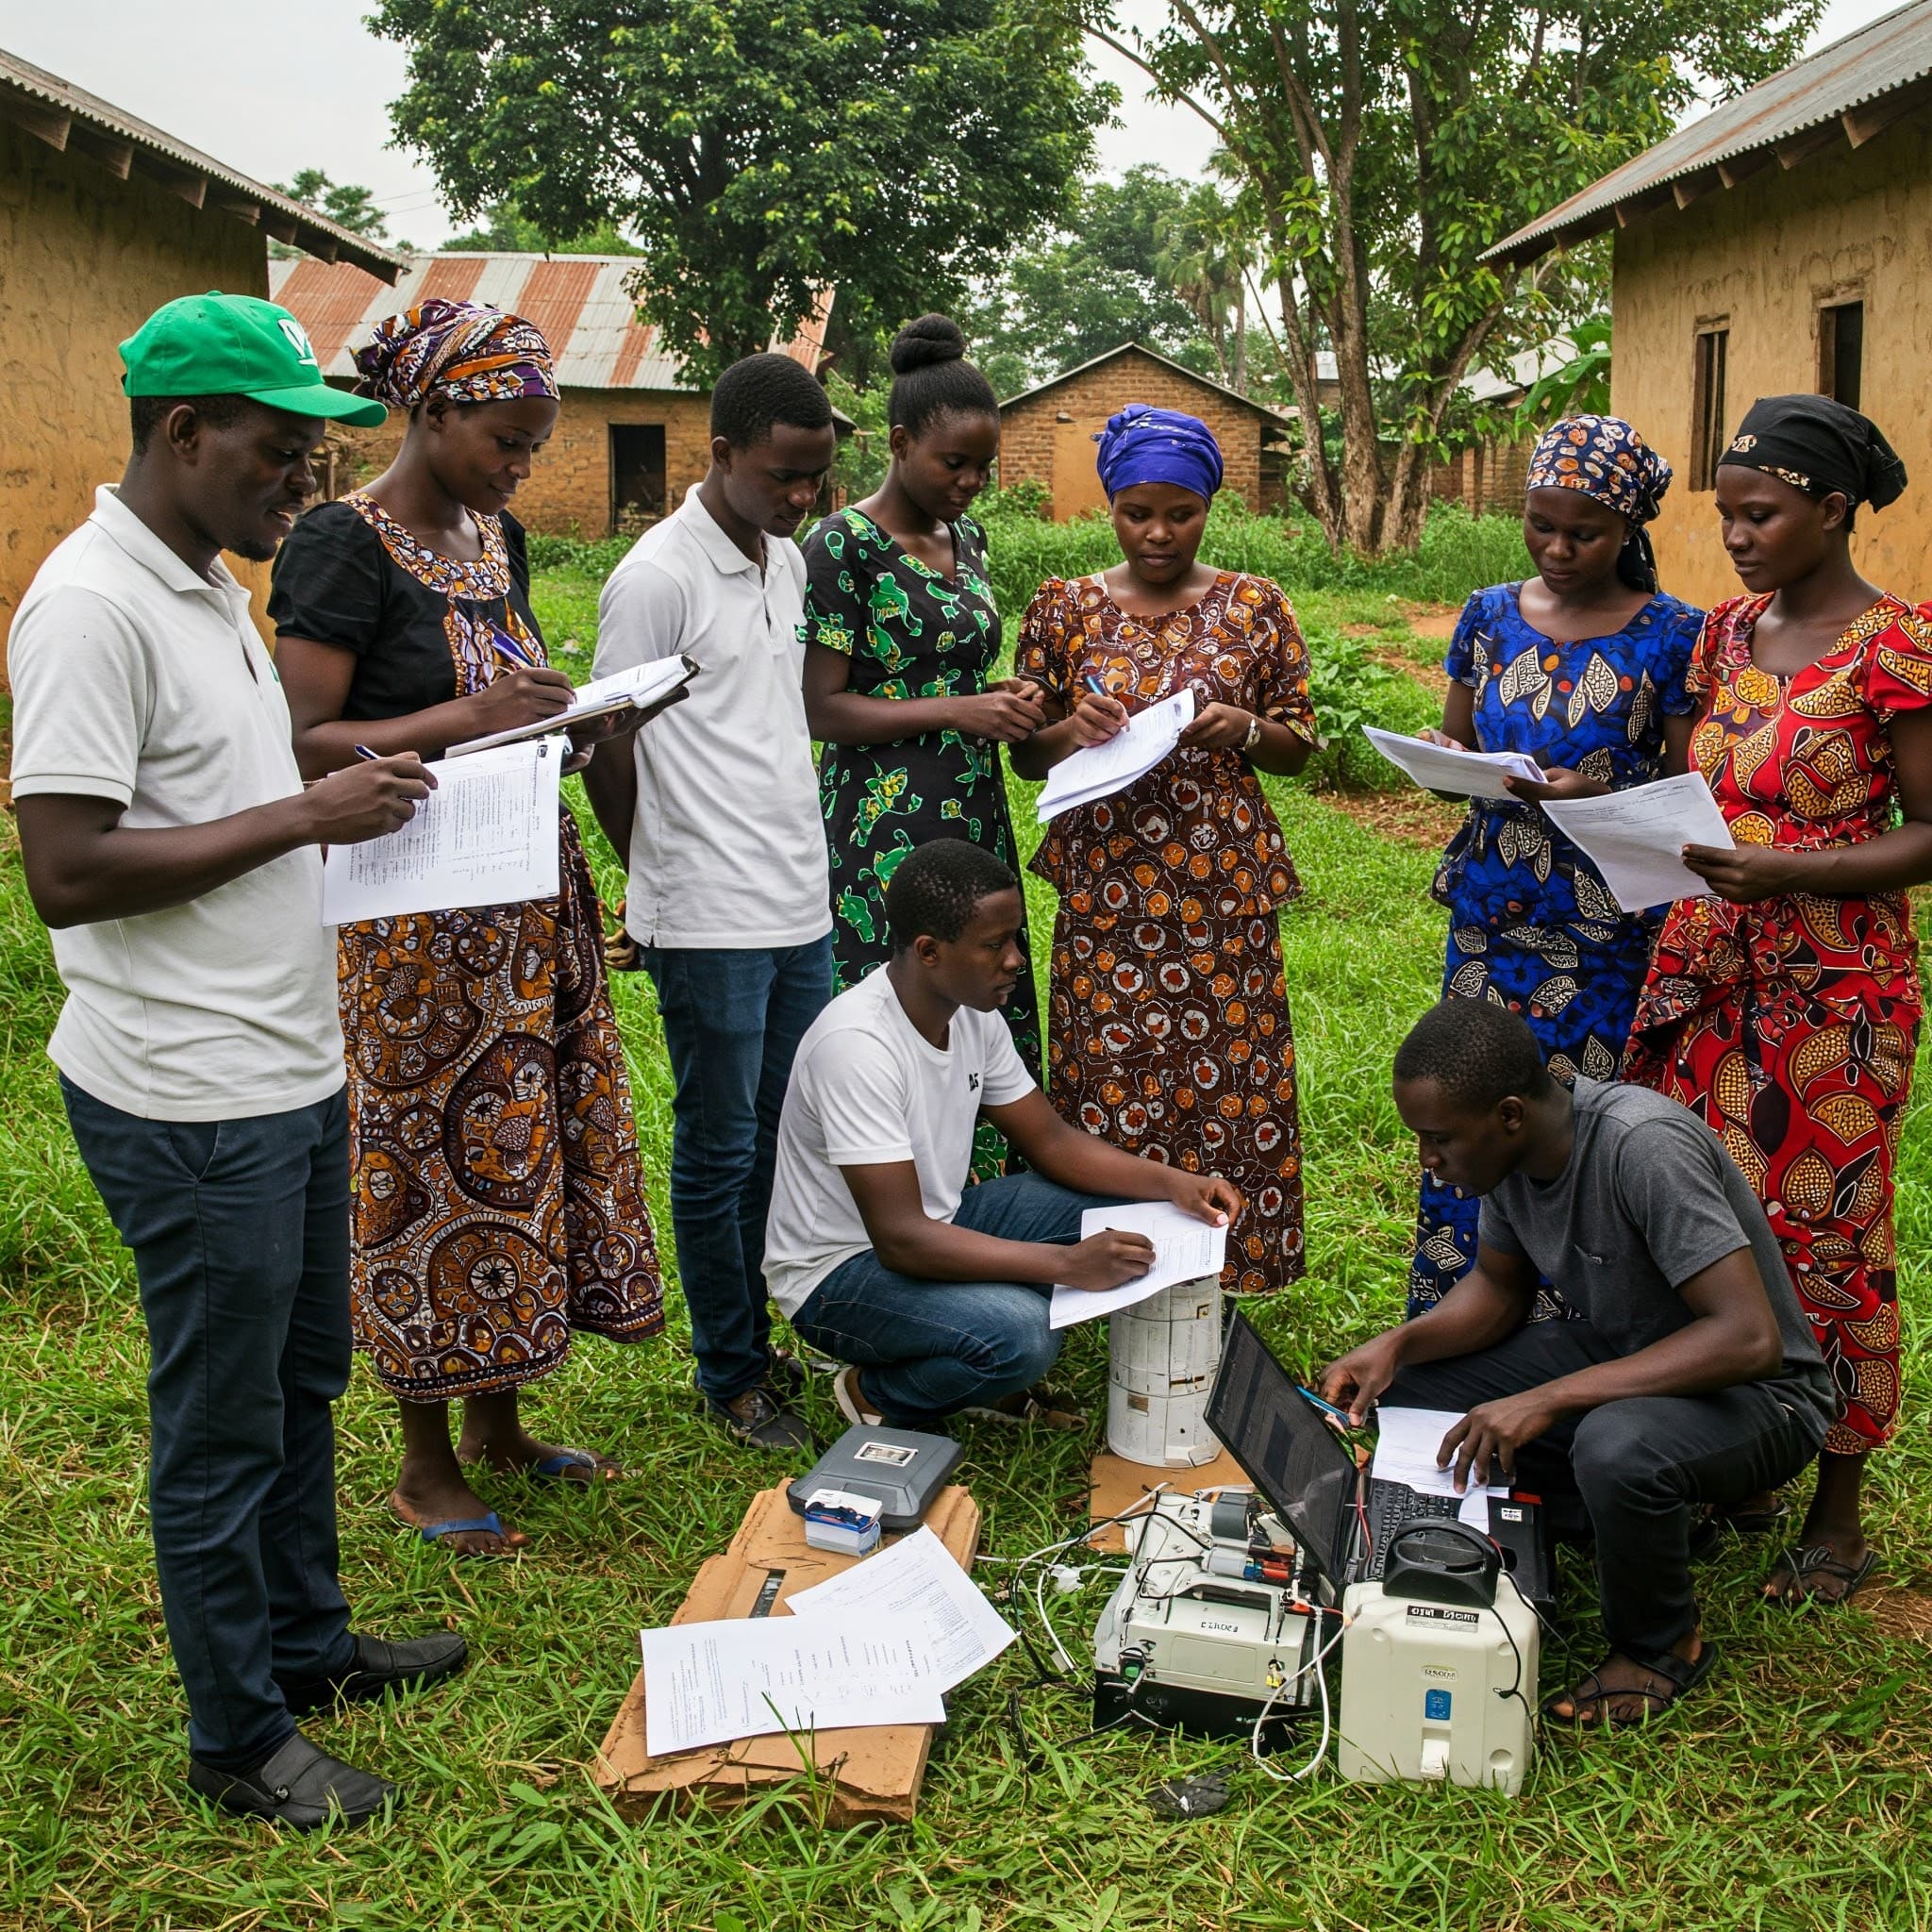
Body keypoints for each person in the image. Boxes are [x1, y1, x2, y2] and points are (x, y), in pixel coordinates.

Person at [8, 292, 465, 1827]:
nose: (304, 487)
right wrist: (300, 817)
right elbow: (65, 866)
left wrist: (348, 771)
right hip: (190, 1091)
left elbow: (230, 773)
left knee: (300, 1378)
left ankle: (305, 1643)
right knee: (219, 1423)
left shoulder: (206, 585)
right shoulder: (90, 607)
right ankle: (238, 1740)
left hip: (285, 1064)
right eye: (280, 456)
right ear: (183, 431)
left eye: (315, 460)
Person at [269, 299, 669, 1558]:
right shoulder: (345, 545)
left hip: (523, 903)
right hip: (411, 923)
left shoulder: (495, 539)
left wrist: (575, 721)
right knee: (423, 1166)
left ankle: (500, 1425)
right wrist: (475, 719)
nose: (520, 465)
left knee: (518, 1151)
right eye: (504, 437)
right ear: (434, 412)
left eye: (534, 443)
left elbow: (510, 703)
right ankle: (424, 1460)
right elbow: (304, 742)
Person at [1625, 394, 1932, 1607]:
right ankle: (1733, 1462)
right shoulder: (1725, 635)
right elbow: (1700, 778)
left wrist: (1788, 870)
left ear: (1830, 509)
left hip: (1830, 999)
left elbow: (1929, 833)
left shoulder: (1896, 646)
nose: (1737, 536)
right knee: (1703, 1222)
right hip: (1706, 976)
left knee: (1826, 1230)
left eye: (1759, 513)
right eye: (1725, 515)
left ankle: (1837, 1512)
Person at [1322, 1002, 1833, 1726]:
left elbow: (1748, 1339)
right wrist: (1397, 1346)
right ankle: (1562, 1527)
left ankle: (1660, 1648)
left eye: (1438, 1140)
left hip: (1762, 1397)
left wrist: (1553, 1398)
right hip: (1632, 1353)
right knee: (1419, 1389)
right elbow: (1499, 1290)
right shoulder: (1512, 1158)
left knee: (1615, 1445)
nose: (1426, 1161)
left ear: (1506, 1115)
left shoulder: (1641, 1147)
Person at [764, 840, 1242, 1429]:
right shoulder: (856, 1047)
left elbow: (1052, 1143)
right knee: (1021, 1335)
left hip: (941, 1224)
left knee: (1126, 1209)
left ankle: (963, 1348)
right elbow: (901, 1240)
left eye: (1014, 938)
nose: (1015, 959)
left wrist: (1176, 1184)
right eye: (994, 945)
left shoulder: (972, 1016)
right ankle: (879, 1394)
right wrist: (1066, 1264)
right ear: (929, 952)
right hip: (841, 1276)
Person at [583, 354, 840, 1451]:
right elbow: (603, 743)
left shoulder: (782, 561)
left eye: (816, 479)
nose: (798, 499)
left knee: (781, 1139)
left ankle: (757, 1337)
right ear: (721, 453)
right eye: (782, 475)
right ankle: (729, 1370)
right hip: (707, 915)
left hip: (797, 903)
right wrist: (656, 878)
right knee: (719, 1144)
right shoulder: (656, 578)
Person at [1009, 407, 1317, 1293]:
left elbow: (1299, 744)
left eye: (1180, 512)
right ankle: (1118, 1277)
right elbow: (1025, 750)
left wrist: (1246, 729)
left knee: (1233, 1079)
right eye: (1137, 511)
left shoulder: (1255, 606)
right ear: (1110, 504)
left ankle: (1226, 1270)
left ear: (1209, 505)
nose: (1157, 532)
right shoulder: (1063, 608)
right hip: (1108, 893)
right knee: (1111, 1081)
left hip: (1222, 890)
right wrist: (1073, 726)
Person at [1407, 416, 1704, 1319]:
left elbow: (1689, 792)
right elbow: (1460, 740)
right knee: (1464, 1121)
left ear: (1629, 531)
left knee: (1577, 1127)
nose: (1559, 548)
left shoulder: (1674, 634)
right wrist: (1439, 755)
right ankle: (1453, 1324)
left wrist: (1585, 794)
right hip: (1492, 916)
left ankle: (1580, 1331)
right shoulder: (1490, 615)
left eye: (1586, 531)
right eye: (1541, 525)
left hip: (1606, 929)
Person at [800, 314, 1043, 1176]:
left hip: (972, 813)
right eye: (954, 463)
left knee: (984, 997)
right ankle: (896, 1212)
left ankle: (983, 1204)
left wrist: (1006, 697)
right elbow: (821, 710)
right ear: (899, 443)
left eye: (984, 467)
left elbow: (963, 669)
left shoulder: (963, 538)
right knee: (904, 1012)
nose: (972, 482)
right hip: (881, 833)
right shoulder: (841, 547)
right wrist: (957, 709)